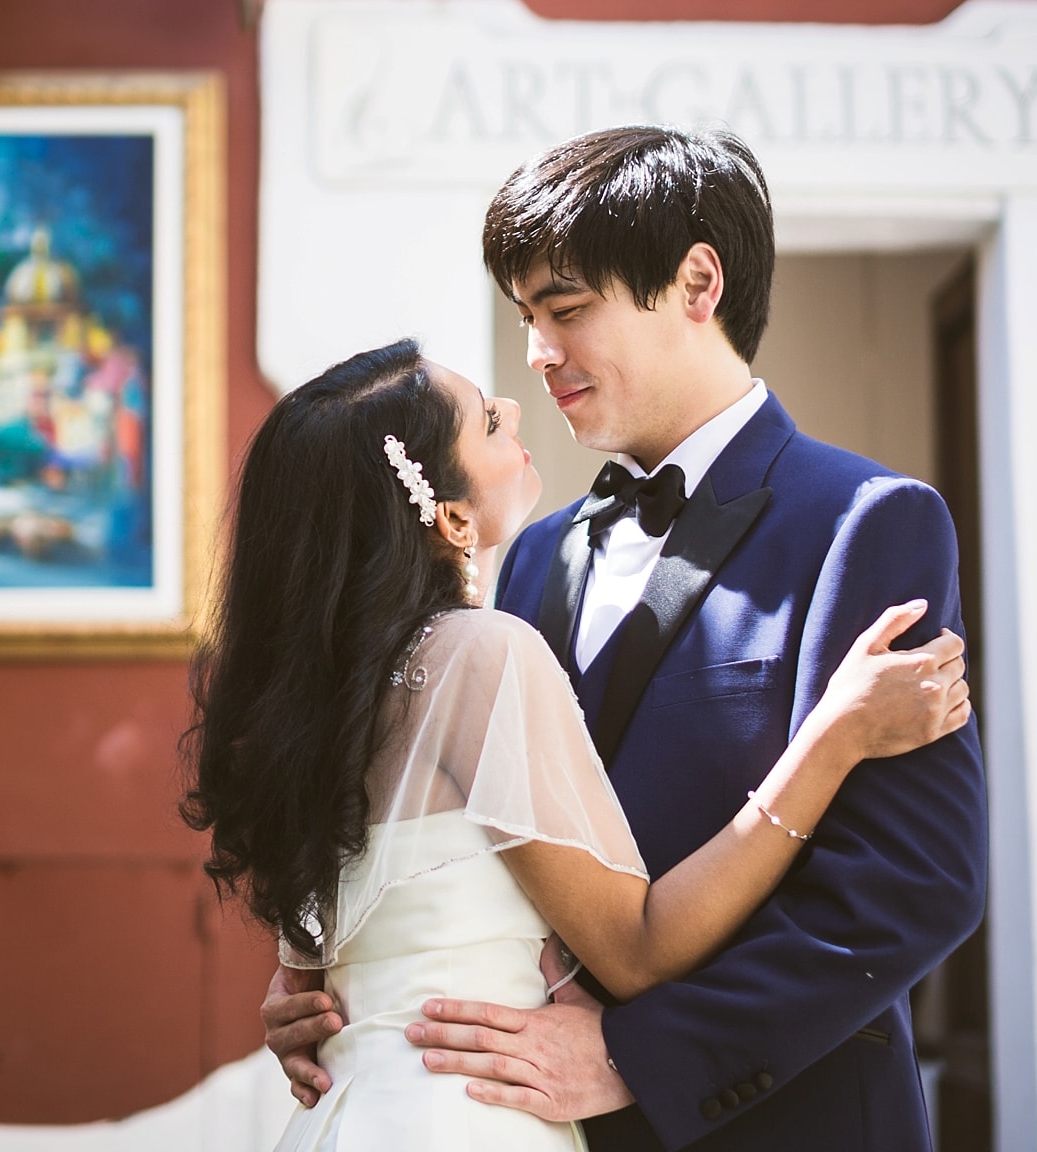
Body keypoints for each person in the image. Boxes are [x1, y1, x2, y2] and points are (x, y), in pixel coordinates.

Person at [261, 127, 989, 1152]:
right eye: (527, 319)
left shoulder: (865, 522)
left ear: (696, 283)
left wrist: (637, 1058)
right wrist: (335, 970)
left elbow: (914, 883)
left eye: (565, 310)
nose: (537, 354)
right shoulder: (529, 555)